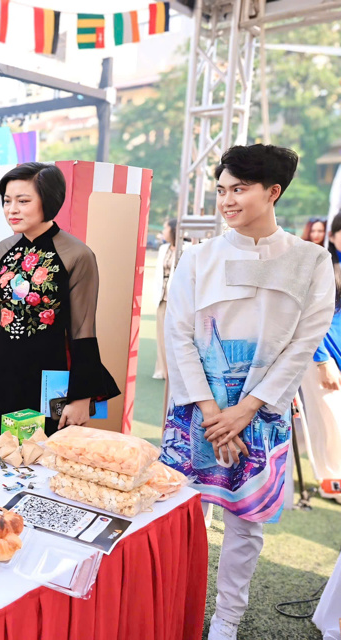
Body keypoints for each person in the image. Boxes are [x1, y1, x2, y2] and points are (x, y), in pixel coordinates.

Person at [158, 145, 334, 640]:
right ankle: (177, 609)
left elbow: (304, 343)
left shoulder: (311, 261)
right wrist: (215, 412)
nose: (227, 201)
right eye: (221, 191)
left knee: (245, 524)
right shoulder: (199, 257)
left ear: (273, 192)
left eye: (239, 189)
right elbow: (180, 336)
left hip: (259, 413)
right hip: (199, 411)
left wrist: (247, 409)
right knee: (184, 515)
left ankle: (226, 621)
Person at [0, 163, 120, 435]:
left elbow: (83, 330)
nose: (12, 209)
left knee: (44, 462)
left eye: (23, 201)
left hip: (50, 378)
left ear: (48, 201)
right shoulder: (4, 250)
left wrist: (81, 397)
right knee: (0, 456)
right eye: (7, 201)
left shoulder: (77, 255)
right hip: (2, 372)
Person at [298, 213, 341, 501]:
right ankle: (331, 482)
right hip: (321, 357)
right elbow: (308, 316)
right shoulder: (322, 264)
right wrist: (323, 360)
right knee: (330, 420)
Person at [154, 218, 178, 379]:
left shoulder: (186, 248)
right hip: (162, 298)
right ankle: (163, 369)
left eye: (165, 228)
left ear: (173, 230)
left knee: (175, 336)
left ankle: (175, 371)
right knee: (161, 334)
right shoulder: (163, 248)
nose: (163, 231)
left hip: (177, 299)